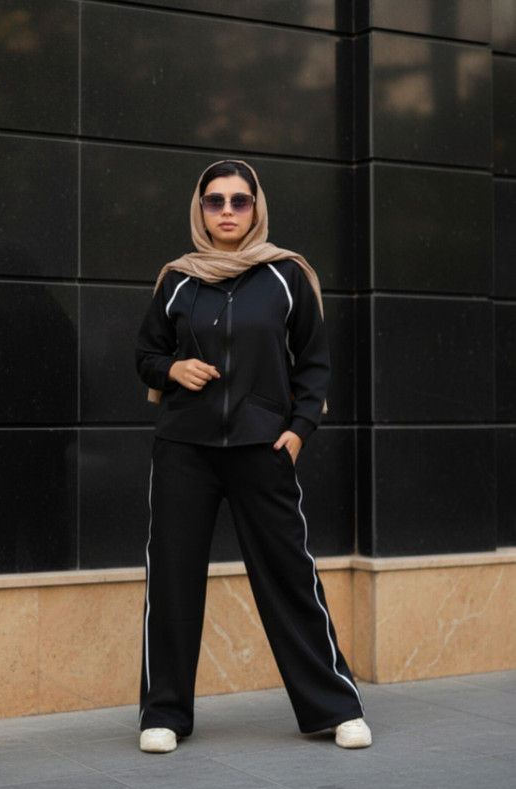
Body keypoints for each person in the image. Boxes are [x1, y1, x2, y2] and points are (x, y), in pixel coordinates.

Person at [135, 159, 371, 753]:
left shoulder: (287, 276)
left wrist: (298, 431)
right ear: (200, 209)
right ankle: (163, 714)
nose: (227, 212)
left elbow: (313, 362)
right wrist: (173, 369)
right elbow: (146, 355)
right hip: (184, 449)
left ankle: (336, 707)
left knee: (290, 576)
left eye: (239, 201)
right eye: (215, 201)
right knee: (172, 581)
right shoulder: (178, 279)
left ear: (256, 207)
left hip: (261, 448)